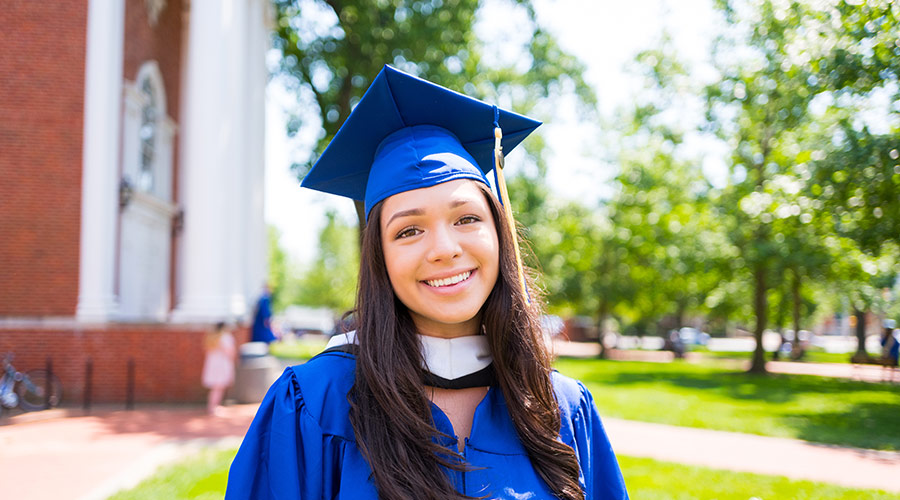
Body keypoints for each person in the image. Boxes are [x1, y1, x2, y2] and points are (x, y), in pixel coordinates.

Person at [225, 65, 628, 499]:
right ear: (379, 258)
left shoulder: (561, 408)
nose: (444, 248)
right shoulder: (316, 404)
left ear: (500, 233)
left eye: (467, 218)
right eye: (408, 231)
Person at [202, 321, 236, 416]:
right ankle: (213, 407)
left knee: (215, 388)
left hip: (213, 364)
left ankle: (212, 406)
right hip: (222, 364)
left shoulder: (212, 337)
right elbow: (229, 351)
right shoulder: (225, 337)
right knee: (218, 387)